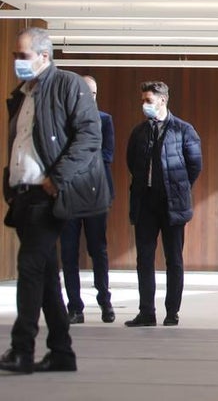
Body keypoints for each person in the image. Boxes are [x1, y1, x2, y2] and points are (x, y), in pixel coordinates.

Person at [2, 27, 102, 374]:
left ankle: (22, 349)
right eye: (15, 55)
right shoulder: (22, 95)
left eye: (23, 55)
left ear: (44, 56)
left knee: (29, 267)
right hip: (23, 196)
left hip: (48, 196)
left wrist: (56, 178)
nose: (17, 61)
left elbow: (90, 136)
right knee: (45, 275)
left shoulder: (67, 85)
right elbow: (21, 143)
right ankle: (61, 352)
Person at [124, 80, 203, 328]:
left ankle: (172, 312)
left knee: (174, 259)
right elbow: (131, 162)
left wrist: (178, 187)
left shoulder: (184, 130)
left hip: (172, 204)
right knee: (144, 259)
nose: (144, 105)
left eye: (148, 100)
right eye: (143, 101)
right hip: (145, 202)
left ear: (162, 100)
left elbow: (195, 165)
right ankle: (146, 312)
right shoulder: (139, 132)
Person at [59, 75, 116, 324]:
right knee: (69, 252)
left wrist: (76, 160)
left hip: (95, 194)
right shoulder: (63, 121)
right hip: (69, 195)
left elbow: (107, 156)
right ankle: (75, 307)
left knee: (98, 250)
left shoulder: (104, 120)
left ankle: (105, 301)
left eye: (92, 93)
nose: (88, 97)